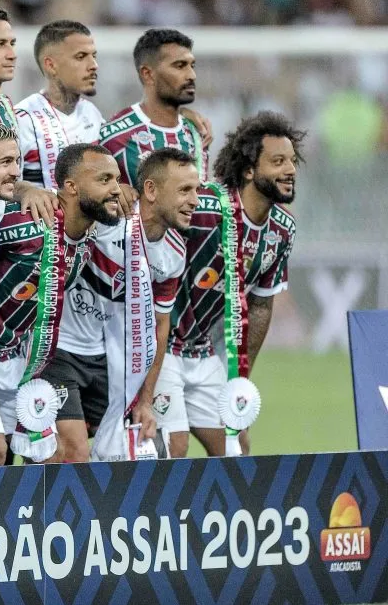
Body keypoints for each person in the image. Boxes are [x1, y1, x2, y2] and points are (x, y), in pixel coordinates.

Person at [0, 140, 108, 467]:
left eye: (18, 161)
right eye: (6, 161)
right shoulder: (1, 222)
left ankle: (26, 517)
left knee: (49, 453)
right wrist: (23, 190)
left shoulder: (82, 241)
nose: (16, 170)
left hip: (19, 360)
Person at [155, 112, 301, 458]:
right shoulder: (204, 208)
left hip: (204, 353)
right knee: (173, 447)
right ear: (250, 170)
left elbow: (262, 304)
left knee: (237, 447)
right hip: (164, 349)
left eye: (293, 161)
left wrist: (239, 375)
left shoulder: (282, 229)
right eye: (278, 161)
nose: (290, 170)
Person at [48, 147, 196, 463]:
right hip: (60, 350)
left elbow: (160, 326)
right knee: (73, 451)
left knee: (127, 453)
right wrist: (27, 190)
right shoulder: (105, 217)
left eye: (195, 190)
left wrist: (145, 400)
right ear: (152, 191)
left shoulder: (172, 254)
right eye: (185, 190)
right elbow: (68, 196)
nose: (194, 200)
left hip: (111, 361)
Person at [98, 29, 207, 188]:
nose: (192, 75)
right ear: (148, 74)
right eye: (180, 66)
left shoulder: (197, 132)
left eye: (192, 65)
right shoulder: (115, 137)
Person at [14, 20, 103, 188]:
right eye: (81, 57)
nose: (94, 65)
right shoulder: (23, 119)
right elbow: (0, 186)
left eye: (94, 56)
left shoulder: (93, 114)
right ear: (51, 65)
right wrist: (24, 192)